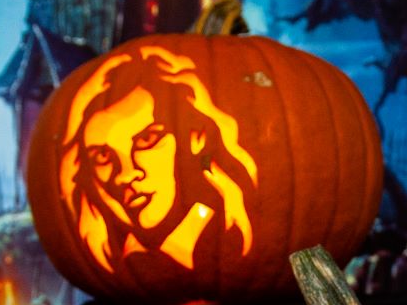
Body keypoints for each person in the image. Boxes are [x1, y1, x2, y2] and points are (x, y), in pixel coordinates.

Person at [54, 44, 258, 278]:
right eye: (103, 157)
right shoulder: (117, 260)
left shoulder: (230, 236)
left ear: (196, 138)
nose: (126, 174)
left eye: (146, 140)